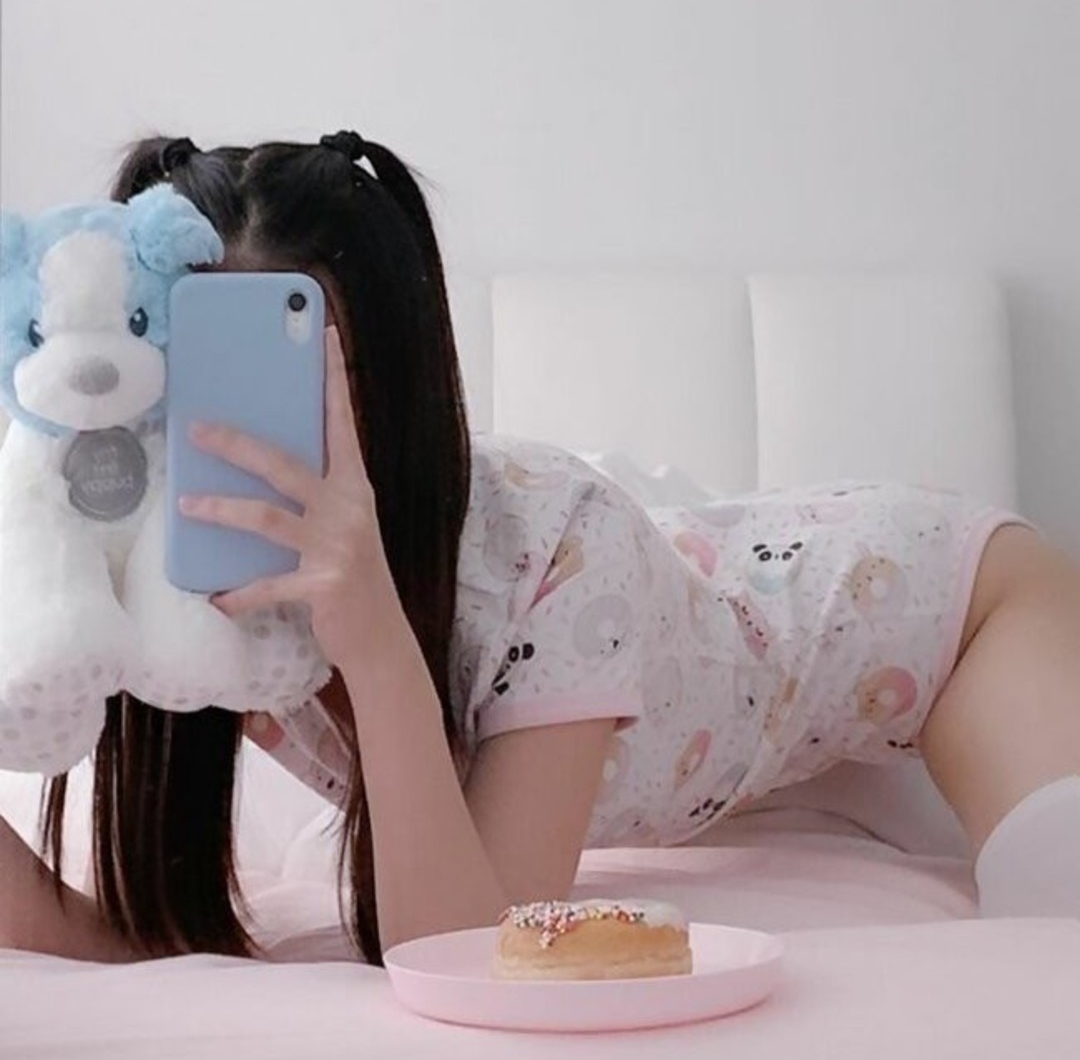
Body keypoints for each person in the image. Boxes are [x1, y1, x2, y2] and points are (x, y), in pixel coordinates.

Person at [4, 129, 1080, 969]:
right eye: (202, 381)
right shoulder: (163, 590)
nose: (251, 443)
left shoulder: (559, 551)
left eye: (296, 387)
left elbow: (472, 957)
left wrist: (374, 641)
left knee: (1056, 908)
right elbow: (108, 943)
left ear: (399, 392)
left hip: (947, 608)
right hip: (702, 677)